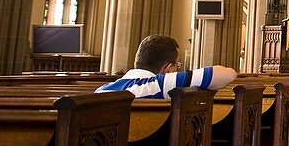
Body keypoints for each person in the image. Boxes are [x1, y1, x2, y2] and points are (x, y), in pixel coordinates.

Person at [96, 34, 237, 99]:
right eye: (177, 65)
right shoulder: (161, 84)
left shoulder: (101, 91)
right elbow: (227, 74)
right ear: (168, 68)